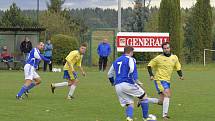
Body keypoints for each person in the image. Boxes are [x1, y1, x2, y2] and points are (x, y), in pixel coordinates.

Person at [107, 46, 155, 121]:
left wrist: (112, 82)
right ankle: (146, 118)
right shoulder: (131, 59)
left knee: (130, 103)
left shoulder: (116, 60)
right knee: (144, 96)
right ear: (131, 52)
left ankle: (129, 118)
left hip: (118, 85)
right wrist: (137, 81)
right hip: (127, 82)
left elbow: (109, 74)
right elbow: (132, 69)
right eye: (133, 52)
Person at [147, 42, 184, 120]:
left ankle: (144, 100)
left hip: (167, 81)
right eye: (165, 48)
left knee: (161, 101)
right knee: (167, 94)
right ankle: (165, 115)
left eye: (168, 48)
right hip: (159, 80)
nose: (166, 49)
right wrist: (151, 75)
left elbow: (178, 67)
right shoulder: (158, 58)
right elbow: (149, 66)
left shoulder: (174, 57)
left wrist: (180, 75)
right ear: (162, 49)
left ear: (170, 48)